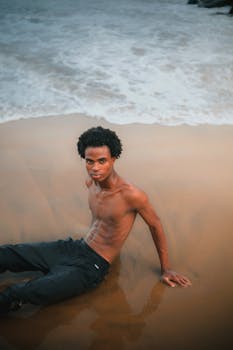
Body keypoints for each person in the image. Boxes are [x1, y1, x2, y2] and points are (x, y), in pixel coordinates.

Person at [0, 126, 191, 315]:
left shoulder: (131, 195)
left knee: (18, 293)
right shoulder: (91, 183)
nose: (95, 168)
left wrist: (166, 269)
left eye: (102, 161)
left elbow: (155, 225)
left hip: (91, 266)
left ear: (114, 158)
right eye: (89, 161)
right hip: (74, 248)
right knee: (6, 254)